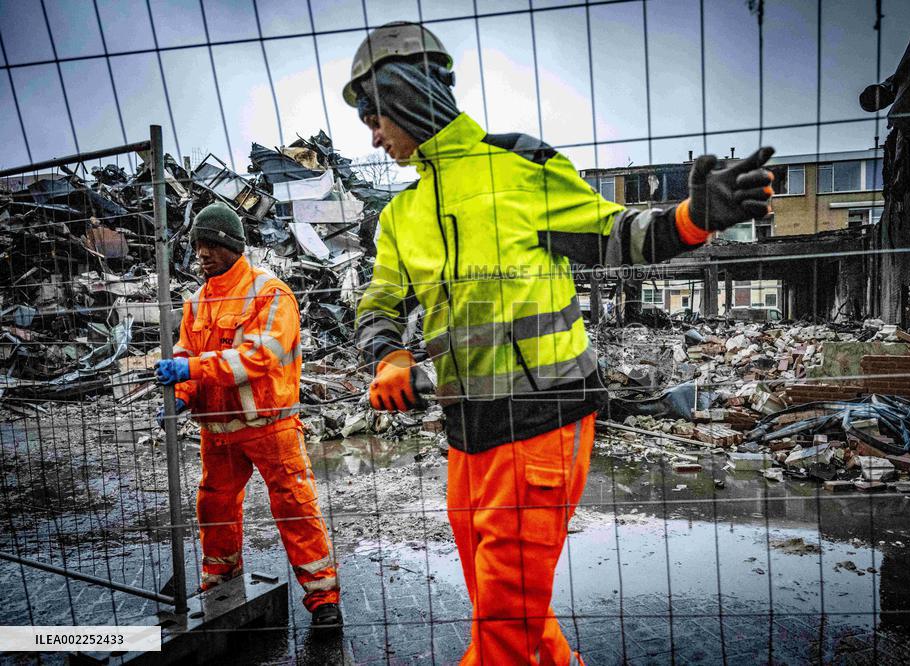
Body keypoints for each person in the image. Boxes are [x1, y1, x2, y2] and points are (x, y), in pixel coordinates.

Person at [344, 21, 774, 664]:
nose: (374, 137)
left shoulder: (519, 166)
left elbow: (617, 235)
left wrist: (691, 218)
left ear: (405, 94)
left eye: (376, 118)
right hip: (466, 430)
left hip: (545, 419)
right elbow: (377, 301)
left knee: (503, 629)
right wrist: (388, 352)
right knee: (507, 606)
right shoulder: (400, 216)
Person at [153, 203, 342, 629]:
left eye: (212, 244)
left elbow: (260, 356)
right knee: (214, 507)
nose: (202, 253)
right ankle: (220, 582)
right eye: (198, 244)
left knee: (295, 507)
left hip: (269, 427)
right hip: (217, 431)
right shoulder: (197, 301)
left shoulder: (270, 293)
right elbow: (185, 352)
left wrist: (193, 370)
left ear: (233, 246)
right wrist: (180, 394)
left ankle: (322, 597)